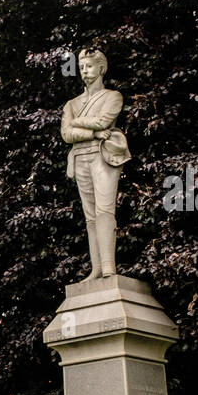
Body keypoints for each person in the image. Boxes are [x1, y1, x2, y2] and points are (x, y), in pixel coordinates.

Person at [61, 48, 130, 279]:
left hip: (103, 157)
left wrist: (77, 123)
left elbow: (103, 121)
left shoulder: (112, 96)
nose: (84, 71)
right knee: (90, 216)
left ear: (101, 68)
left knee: (104, 210)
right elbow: (66, 135)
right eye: (81, 67)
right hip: (80, 156)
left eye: (89, 66)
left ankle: (109, 266)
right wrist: (92, 133)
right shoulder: (72, 103)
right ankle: (97, 268)